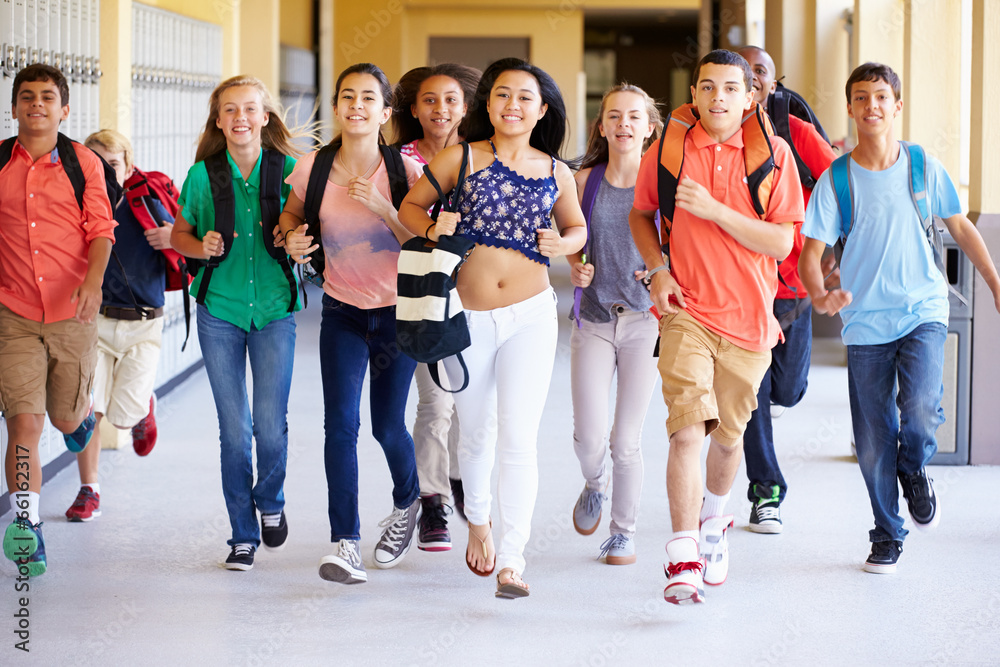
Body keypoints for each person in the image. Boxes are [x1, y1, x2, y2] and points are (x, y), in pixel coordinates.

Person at [799, 62, 1000, 574]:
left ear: (897, 106)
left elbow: (963, 228)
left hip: (922, 310)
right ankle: (887, 532)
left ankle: (914, 466)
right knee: (871, 441)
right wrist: (820, 295)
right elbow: (810, 251)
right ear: (850, 107)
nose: (872, 106)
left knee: (921, 408)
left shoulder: (922, 166)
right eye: (861, 97)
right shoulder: (836, 179)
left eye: (881, 97)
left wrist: (995, 284)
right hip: (864, 322)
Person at [399, 57, 587, 599]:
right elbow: (411, 207)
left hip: (532, 316)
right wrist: (436, 226)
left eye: (525, 97)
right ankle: (477, 521)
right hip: (469, 313)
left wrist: (565, 244)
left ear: (541, 109)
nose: (512, 105)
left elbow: (575, 228)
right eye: (502, 95)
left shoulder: (557, 172)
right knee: (477, 429)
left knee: (519, 438)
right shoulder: (462, 157)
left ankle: (513, 558)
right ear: (489, 105)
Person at [629, 49, 803, 605]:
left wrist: (713, 210)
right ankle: (682, 554)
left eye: (732, 88)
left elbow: (780, 241)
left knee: (728, 440)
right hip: (686, 312)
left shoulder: (773, 156)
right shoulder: (671, 149)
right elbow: (641, 213)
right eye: (707, 87)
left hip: (750, 322)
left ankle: (714, 518)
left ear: (752, 96)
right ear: (696, 93)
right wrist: (657, 269)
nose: (719, 97)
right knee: (685, 430)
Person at [280, 63, 425, 585]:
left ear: (386, 112)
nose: (357, 105)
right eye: (348, 96)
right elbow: (292, 216)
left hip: (397, 312)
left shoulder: (406, 170)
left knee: (388, 425)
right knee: (340, 425)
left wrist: (385, 207)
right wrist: (290, 238)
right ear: (338, 107)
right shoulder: (313, 166)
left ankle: (408, 502)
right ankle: (346, 542)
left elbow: (422, 242)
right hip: (341, 310)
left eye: (369, 98)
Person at [170, 75, 303, 572]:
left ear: (265, 117)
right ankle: (242, 533)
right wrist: (197, 245)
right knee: (234, 428)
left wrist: (298, 244)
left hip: (274, 312)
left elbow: (311, 234)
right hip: (219, 312)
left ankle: (271, 501)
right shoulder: (203, 176)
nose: (240, 118)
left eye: (250, 109)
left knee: (269, 426)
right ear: (218, 120)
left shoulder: (289, 171)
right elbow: (178, 235)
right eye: (230, 110)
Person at [0, 64, 116, 576]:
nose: (37, 105)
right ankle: (27, 524)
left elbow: (101, 229)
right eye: (27, 96)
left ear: (64, 108)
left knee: (67, 419)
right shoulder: (0, 163)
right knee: (24, 422)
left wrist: (92, 282)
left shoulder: (83, 162)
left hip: (73, 311)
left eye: (48, 97)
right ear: (14, 107)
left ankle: (82, 421)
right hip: (14, 312)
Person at [736, 45, 838, 534]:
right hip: (736, 286)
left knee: (789, 390)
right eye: (743, 69)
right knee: (753, 393)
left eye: (761, 71)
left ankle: (762, 399)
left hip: (792, 282)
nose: (752, 78)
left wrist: (835, 249)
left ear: (772, 85)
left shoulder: (795, 133)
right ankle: (766, 491)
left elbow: (842, 181)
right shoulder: (707, 138)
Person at [567, 83, 662, 565]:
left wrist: (664, 269)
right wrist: (574, 265)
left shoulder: (664, 183)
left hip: (645, 322)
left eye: (633, 116)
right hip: (595, 320)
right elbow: (569, 238)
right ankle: (593, 482)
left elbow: (683, 246)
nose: (623, 124)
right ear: (602, 126)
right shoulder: (585, 181)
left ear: (649, 127)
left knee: (626, 440)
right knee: (589, 438)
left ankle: (623, 533)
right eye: (613, 116)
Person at [391, 63, 481, 550]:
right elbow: (393, 226)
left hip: (474, 293)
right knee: (435, 401)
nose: (440, 109)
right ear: (414, 109)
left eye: (450, 100)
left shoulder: (480, 156)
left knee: (469, 400)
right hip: (422, 293)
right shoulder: (397, 162)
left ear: (465, 107)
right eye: (429, 100)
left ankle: (462, 480)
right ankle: (432, 502)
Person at [63, 129, 175, 523]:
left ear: (128, 166)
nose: (105, 171)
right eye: (95, 162)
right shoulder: (76, 205)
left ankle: (143, 407)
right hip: (94, 320)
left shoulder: (146, 202)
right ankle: (89, 488)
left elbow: (187, 244)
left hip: (143, 325)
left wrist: (171, 238)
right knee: (85, 409)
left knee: (123, 419)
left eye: (113, 163)